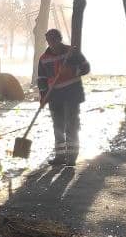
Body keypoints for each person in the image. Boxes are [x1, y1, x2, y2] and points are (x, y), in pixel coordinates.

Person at [37, 29, 91, 167]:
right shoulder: (44, 58)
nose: (52, 44)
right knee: (58, 126)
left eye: (54, 40)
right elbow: (42, 79)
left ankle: (71, 157)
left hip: (72, 94)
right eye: (49, 41)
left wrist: (72, 71)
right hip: (54, 96)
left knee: (71, 125)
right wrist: (43, 96)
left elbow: (85, 67)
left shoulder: (71, 52)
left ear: (59, 39)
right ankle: (60, 156)